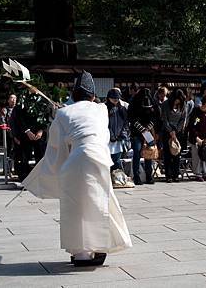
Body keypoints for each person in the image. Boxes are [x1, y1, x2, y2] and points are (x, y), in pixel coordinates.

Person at [22, 71, 132, 267]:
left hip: (75, 160)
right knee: (100, 204)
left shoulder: (63, 113)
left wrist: (59, 116)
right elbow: (101, 136)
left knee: (74, 207)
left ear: (73, 94)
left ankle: (80, 254)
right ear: (92, 95)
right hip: (98, 159)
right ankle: (99, 248)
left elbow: (56, 145)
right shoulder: (101, 110)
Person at [128, 88, 160, 185]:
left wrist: (148, 128)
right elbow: (131, 118)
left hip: (148, 132)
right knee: (137, 153)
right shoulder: (134, 103)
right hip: (136, 132)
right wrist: (141, 129)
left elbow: (156, 118)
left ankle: (149, 176)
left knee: (149, 153)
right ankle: (136, 176)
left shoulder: (153, 103)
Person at [187, 95, 206, 181]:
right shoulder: (196, 112)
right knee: (197, 155)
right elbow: (192, 126)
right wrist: (197, 138)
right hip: (197, 138)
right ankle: (198, 174)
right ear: (202, 105)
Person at [161, 89, 187, 183]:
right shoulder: (165, 104)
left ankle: (176, 174)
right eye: (176, 100)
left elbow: (183, 119)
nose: (178, 102)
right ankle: (168, 175)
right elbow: (164, 119)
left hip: (178, 132)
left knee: (177, 154)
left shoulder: (183, 105)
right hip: (167, 132)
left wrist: (176, 131)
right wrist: (170, 131)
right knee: (167, 155)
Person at [106, 88, 129, 172]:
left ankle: (115, 178)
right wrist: (111, 135)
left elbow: (126, 123)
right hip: (108, 139)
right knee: (107, 160)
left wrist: (123, 134)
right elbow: (105, 123)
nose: (115, 100)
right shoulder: (105, 108)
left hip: (119, 138)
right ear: (109, 98)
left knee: (116, 160)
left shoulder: (122, 108)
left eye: (117, 99)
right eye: (113, 98)